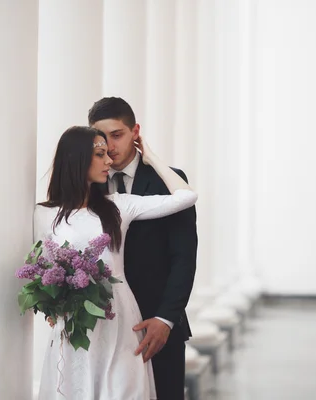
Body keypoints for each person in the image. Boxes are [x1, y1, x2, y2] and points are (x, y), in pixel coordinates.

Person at [35, 126, 197, 399]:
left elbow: (186, 197)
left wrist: (151, 157)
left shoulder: (119, 206)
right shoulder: (44, 213)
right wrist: (51, 303)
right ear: (76, 160)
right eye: (100, 154)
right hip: (75, 325)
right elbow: (42, 266)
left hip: (120, 320)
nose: (109, 161)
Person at [88, 97, 198, 400]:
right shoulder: (88, 186)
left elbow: (183, 256)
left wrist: (165, 319)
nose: (110, 145)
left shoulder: (170, 182)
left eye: (118, 134)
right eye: (102, 137)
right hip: (104, 327)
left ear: (135, 131)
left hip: (157, 325)